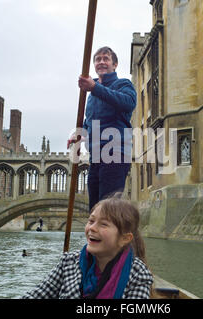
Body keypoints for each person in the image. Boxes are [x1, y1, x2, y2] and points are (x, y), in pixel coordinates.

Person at [22, 197, 153, 299]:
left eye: (103, 224)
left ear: (124, 238)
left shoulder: (137, 273)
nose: (92, 228)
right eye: (91, 221)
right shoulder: (68, 262)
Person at [67, 47, 136, 212]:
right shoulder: (91, 95)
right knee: (95, 209)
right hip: (96, 156)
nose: (102, 62)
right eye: (98, 59)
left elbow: (128, 103)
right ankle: (94, 238)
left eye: (106, 58)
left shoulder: (123, 84)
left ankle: (112, 237)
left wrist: (95, 88)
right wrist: (81, 133)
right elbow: (89, 121)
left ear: (115, 64)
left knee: (107, 209)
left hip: (115, 153)